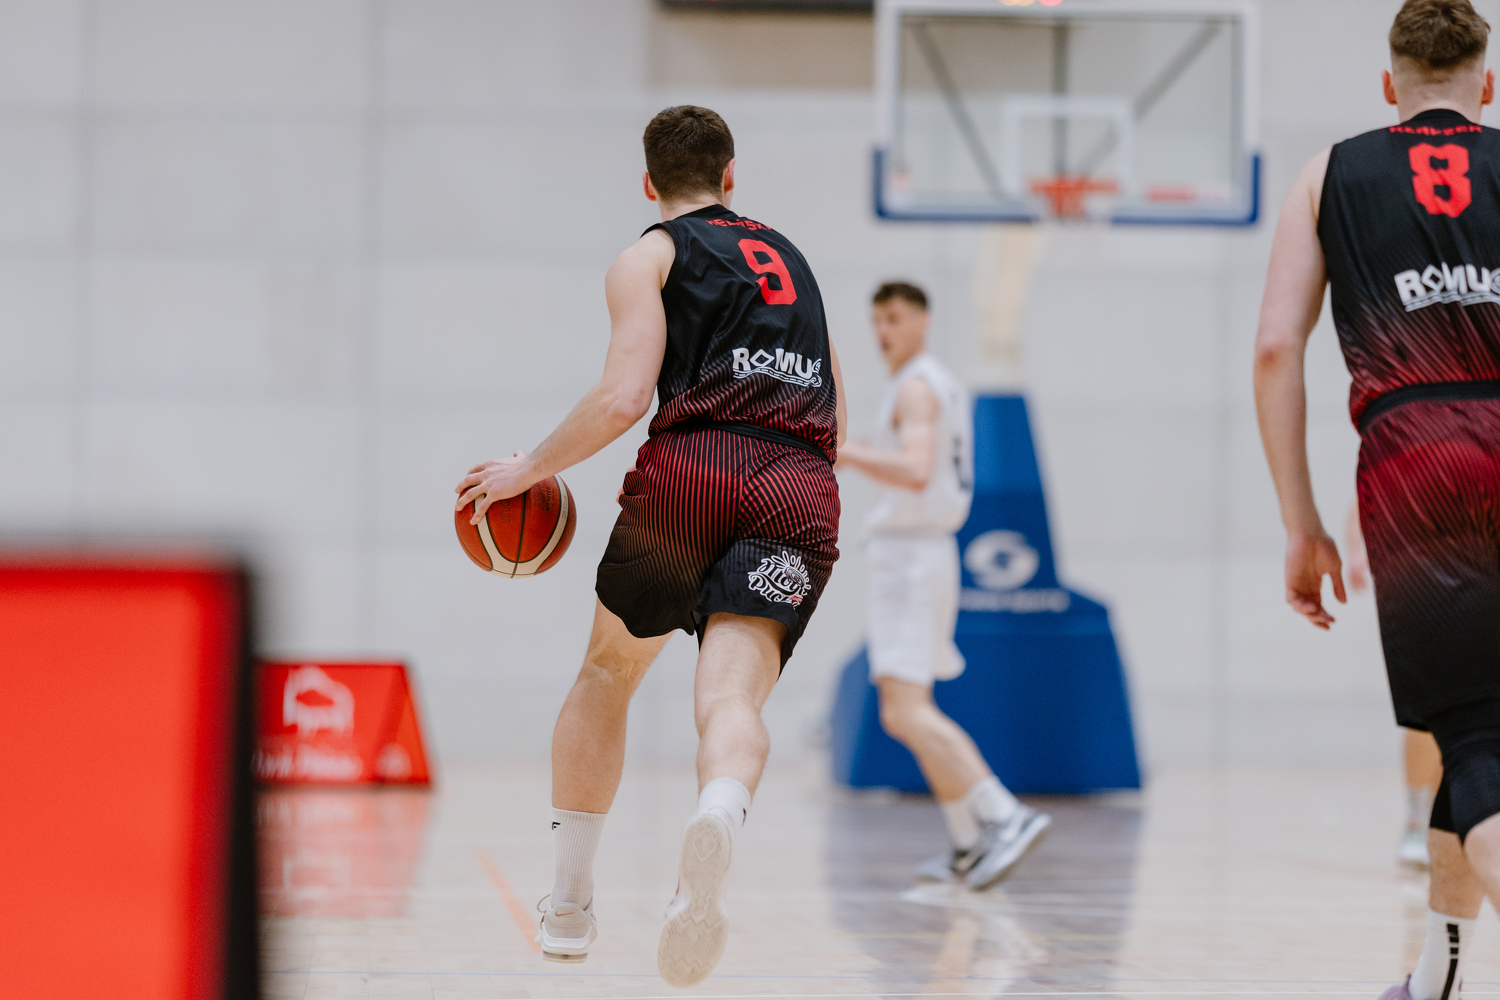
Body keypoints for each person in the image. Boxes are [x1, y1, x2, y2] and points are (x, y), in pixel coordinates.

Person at [455, 105, 846, 988]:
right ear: (731, 175)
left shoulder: (651, 254)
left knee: (608, 672)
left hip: (691, 473)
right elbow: (840, 421)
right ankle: (717, 815)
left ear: (647, 183)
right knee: (733, 697)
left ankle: (567, 905)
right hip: (798, 483)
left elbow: (625, 397)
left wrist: (527, 470)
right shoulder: (795, 262)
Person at [1253, 3, 1500, 997]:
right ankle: (1438, 973)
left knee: (1473, 735)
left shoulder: (1330, 174)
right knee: (1477, 733)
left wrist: (1302, 523)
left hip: (1416, 459)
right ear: (1487, 86)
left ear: (1389, 86)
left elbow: (1277, 348)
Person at [836, 282, 1050, 890]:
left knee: (905, 710)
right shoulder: (940, 383)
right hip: (926, 552)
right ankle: (966, 841)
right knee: (908, 710)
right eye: (876, 320)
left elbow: (915, 468)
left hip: (910, 557)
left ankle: (1003, 813)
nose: (883, 331)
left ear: (922, 322)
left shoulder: (917, 387)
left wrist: (845, 452)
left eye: (893, 318)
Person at [1346, 502, 1445, 870]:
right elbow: (1361, 497)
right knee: (1430, 708)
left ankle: (1447, 824)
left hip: (1479, 574)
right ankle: (1418, 822)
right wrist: (1358, 550)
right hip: (1424, 579)